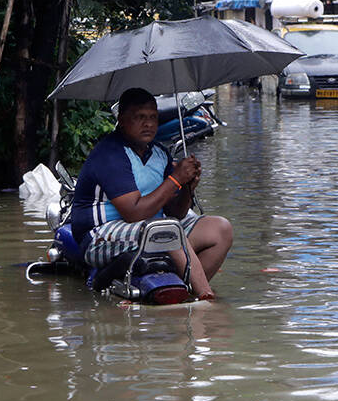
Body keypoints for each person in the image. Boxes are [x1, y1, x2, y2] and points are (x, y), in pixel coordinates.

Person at [71, 87, 232, 299]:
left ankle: (182, 292)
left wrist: (187, 188)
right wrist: (175, 179)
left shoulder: (159, 153)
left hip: (151, 229)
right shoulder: (110, 154)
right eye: (139, 117)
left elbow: (176, 212)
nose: (148, 124)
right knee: (166, 231)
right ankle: (205, 297)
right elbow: (133, 213)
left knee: (220, 229)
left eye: (153, 117)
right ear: (121, 119)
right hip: (100, 236)